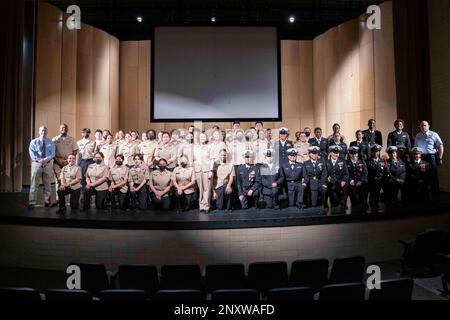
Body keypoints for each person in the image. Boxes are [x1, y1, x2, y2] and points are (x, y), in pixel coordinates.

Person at [414, 121, 444, 202]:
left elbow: (440, 146)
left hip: (431, 157)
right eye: (421, 125)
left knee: (433, 177)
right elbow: (416, 148)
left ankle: (436, 198)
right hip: (422, 157)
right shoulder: (418, 135)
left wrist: (440, 158)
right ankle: (425, 198)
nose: (423, 127)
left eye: (424, 125)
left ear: (428, 126)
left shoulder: (434, 134)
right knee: (423, 177)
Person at [28, 126, 56, 209]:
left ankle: (47, 201)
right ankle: (32, 202)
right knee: (34, 184)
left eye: (45, 131)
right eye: (42, 130)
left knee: (47, 184)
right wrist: (39, 160)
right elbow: (32, 153)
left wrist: (45, 160)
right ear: (39, 132)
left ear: (47, 132)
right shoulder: (34, 142)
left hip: (47, 164)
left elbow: (52, 154)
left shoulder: (50, 142)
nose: (43, 132)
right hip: (36, 164)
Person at [52, 124, 78, 202]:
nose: (64, 129)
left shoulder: (72, 139)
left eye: (65, 128)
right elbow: (52, 152)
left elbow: (75, 150)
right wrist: (58, 161)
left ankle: (71, 199)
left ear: (67, 129)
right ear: (59, 129)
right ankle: (58, 198)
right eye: (62, 128)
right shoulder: (54, 139)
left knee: (70, 179)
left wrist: (69, 160)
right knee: (58, 180)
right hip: (57, 162)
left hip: (69, 162)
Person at [193, 132, 213, 213]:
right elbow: (193, 159)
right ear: (198, 138)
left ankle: (207, 206)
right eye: (201, 136)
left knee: (207, 189)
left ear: (206, 138)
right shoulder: (195, 147)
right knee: (200, 188)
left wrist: (211, 170)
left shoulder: (209, 147)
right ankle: (201, 205)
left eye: (204, 136)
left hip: (207, 170)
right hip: (198, 170)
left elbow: (212, 159)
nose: (202, 138)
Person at [76, 128, 96, 196]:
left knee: (90, 178)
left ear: (89, 133)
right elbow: (77, 154)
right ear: (82, 134)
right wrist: (77, 163)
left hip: (90, 161)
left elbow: (95, 153)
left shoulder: (93, 142)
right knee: (82, 178)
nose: (86, 134)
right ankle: (82, 195)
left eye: (87, 132)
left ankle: (89, 194)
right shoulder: (78, 142)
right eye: (84, 132)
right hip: (82, 161)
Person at [366, 144, 386, 208]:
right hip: (372, 181)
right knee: (373, 197)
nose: (375, 153)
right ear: (371, 152)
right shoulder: (367, 161)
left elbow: (385, 171)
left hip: (381, 180)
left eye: (377, 152)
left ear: (379, 152)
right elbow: (367, 173)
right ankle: (373, 204)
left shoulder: (382, 161)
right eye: (374, 152)